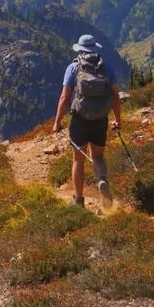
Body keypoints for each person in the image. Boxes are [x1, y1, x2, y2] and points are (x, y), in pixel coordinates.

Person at [53, 34, 121, 209]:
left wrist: (57, 122)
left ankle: (79, 200)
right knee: (97, 156)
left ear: (80, 50)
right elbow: (115, 97)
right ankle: (102, 180)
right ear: (95, 48)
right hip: (100, 120)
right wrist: (118, 120)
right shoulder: (106, 67)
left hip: (80, 120)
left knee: (78, 160)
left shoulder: (73, 68)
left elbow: (64, 97)